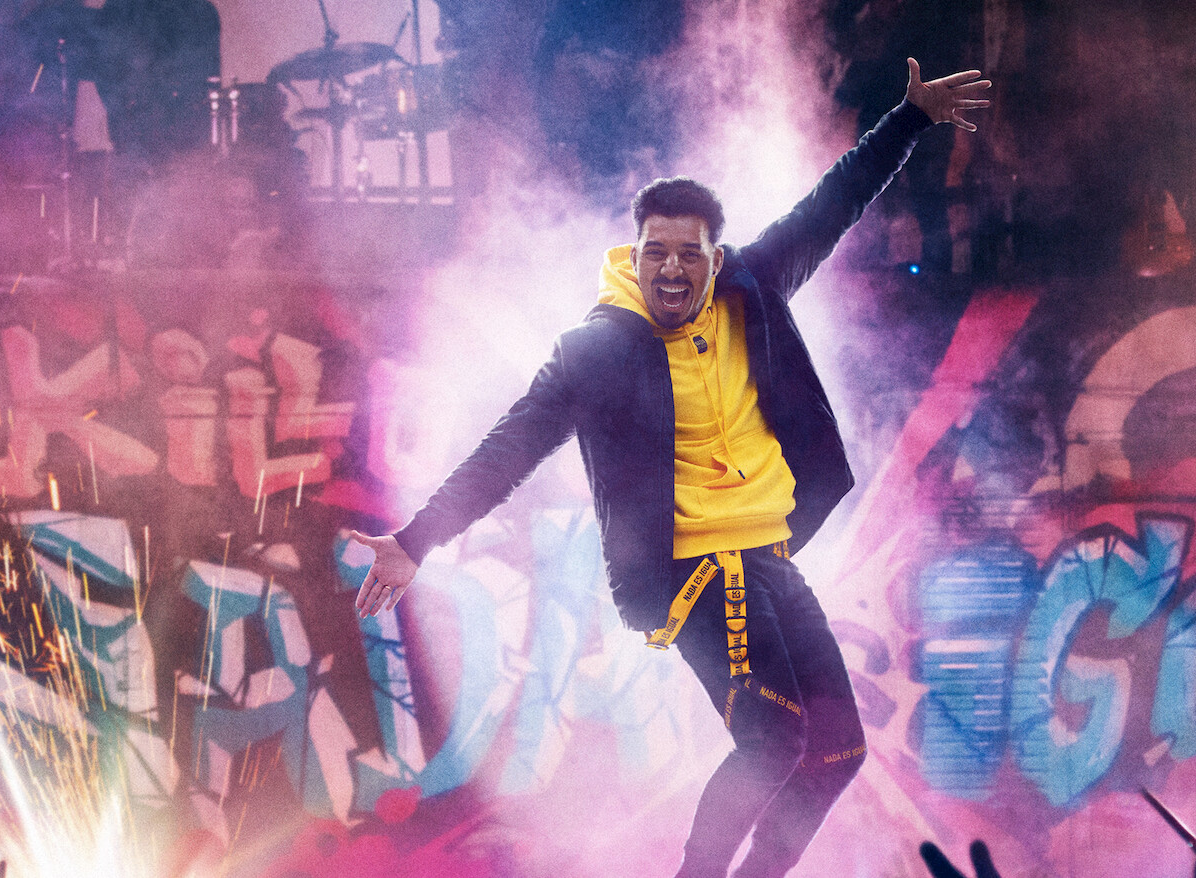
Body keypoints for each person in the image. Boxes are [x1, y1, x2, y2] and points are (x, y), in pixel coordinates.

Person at [346, 58, 989, 877]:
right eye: (657, 253)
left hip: (767, 559)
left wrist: (909, 119)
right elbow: (509, 446)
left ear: (715, 260)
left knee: (836, 750)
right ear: (635, 253)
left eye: (690, 254)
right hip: (684, 568)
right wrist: (416, 539)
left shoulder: (752, 287)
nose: (672, 269)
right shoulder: (597, 350)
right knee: (774, 736)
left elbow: (832, 204)